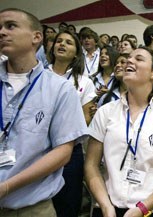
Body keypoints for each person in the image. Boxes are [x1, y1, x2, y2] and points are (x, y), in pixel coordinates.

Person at [0, 8, 87, 216]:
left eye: (10, 26)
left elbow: (62, 153)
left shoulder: (60, 89)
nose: (2, 32)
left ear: (36, 37)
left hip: (32, 208)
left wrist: (7, 187)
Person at [84, 47, 153, 217]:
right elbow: (91, 165)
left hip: (152, 210)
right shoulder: (106, 112)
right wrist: (105, 206)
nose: (129, 61)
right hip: (108, 209)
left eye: (138, 59)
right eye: (128, 58)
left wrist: (142, 208)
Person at [48, 30, 97, 217]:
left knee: (68, 204)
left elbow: (86, 117)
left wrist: (62, 134)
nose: (62, 44)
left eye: (68, 42)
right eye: (59, 41)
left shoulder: (84, 82)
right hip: (40, 147)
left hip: (70, 149)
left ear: (77, 52)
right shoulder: (38, 75)